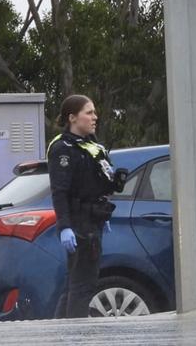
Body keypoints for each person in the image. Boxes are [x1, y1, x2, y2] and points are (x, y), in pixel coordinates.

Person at [48, 94, 129, 318]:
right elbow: (60, 191)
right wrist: (64, 226)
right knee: (83, 284)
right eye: (89, 112)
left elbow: (97, 184)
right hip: (80, 223)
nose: (95, 117)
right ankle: (75, 335)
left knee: (75, 284)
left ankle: (60, 335)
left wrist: (114, 183)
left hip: (94, 219)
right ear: (72, 118)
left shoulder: (92, 146)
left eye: (94, 112)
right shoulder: (63, 148)